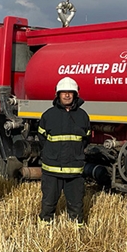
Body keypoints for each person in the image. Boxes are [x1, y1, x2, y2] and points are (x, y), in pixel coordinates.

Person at [38, 76, 91, 225]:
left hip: (74, 171)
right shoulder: (48, 116)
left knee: (76, 206)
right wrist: (52, 154)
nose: (67, 95)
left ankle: (76, 233)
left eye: (70, 92)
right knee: (48, 204)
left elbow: (86, 139)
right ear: (58, 94)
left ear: (75, 94)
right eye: (64, 92)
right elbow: (42, 138)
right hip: (52, 170)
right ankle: (44, 230)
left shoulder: (83, 116)